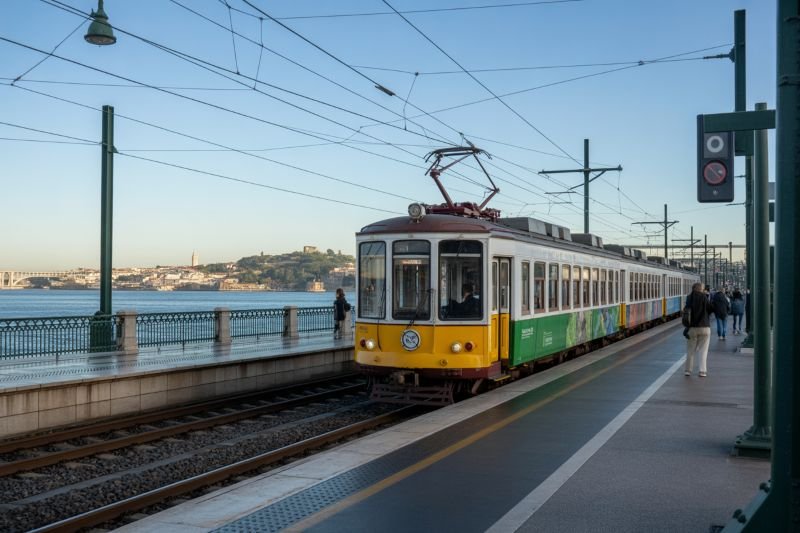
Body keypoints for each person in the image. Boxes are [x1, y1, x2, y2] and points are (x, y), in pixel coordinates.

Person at [684, 282, 714, 377]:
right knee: (703, 350)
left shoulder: (689, 298)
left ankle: (688, 370)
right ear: (701, 289)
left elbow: (686, 310)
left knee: (690, 350)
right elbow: (711, 309)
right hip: (704, 327)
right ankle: (702, 371)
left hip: (692, 328)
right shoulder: (704, 297)